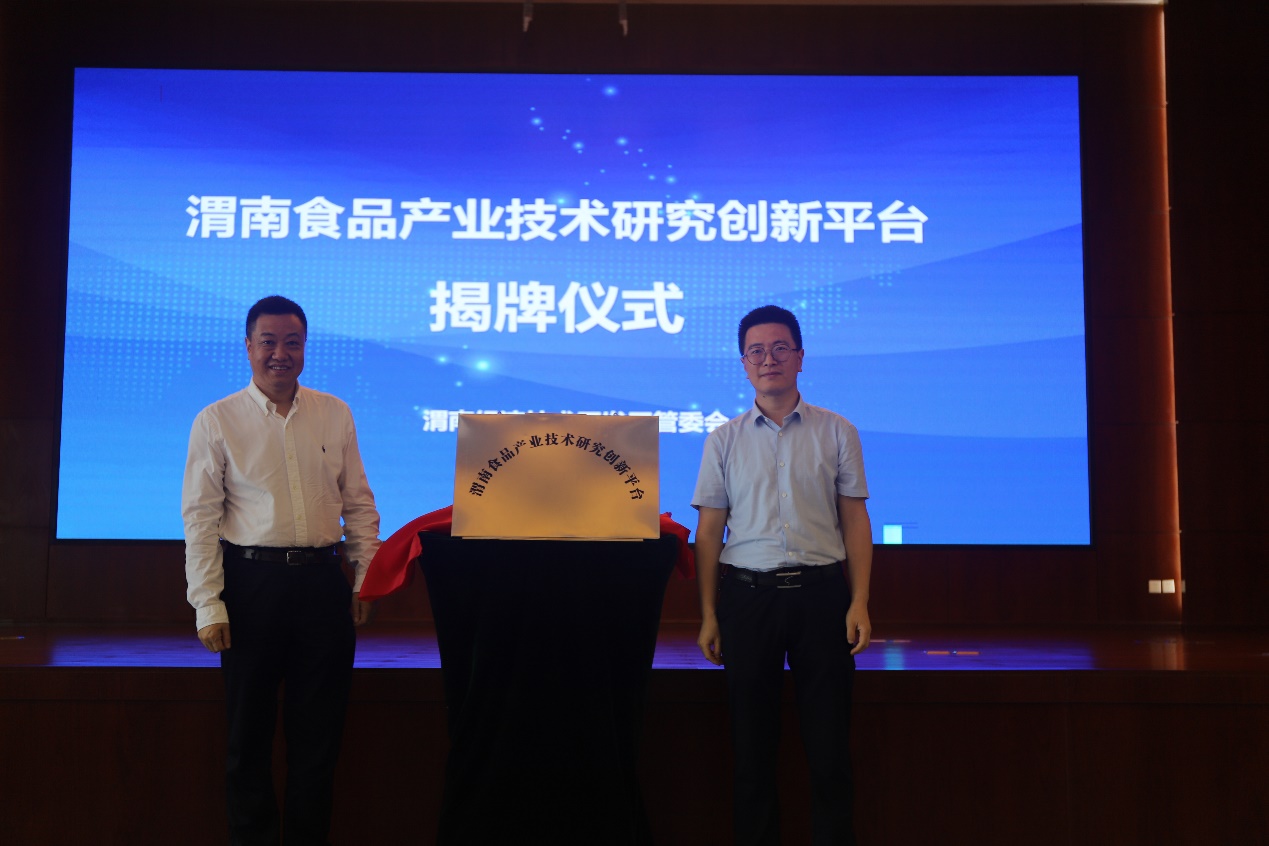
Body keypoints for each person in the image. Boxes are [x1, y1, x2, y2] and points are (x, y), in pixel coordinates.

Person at [183, 295, 381, 845]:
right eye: (268, 342)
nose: (280, 353)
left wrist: (365, 576)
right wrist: (208, 604)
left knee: (318, 741)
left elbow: (358, 504)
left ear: (305, 347)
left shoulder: (334, 412)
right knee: (248, 740)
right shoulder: (217, 419)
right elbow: (200, 519)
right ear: (248, 346)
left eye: (292, 342)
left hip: (322, 585)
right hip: (252, 587)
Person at [692, 304, 872, 846]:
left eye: (779, 348)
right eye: (756, 351)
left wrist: (859, 600)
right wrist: (708, 614)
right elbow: (709, 533)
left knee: (830, 750)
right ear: (744, 364)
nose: (767, 359)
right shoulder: (723, 439)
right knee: (751, 752)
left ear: (799, 357)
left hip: (822, 597)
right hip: (748, 599)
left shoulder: (837, 431)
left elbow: (855, 520)